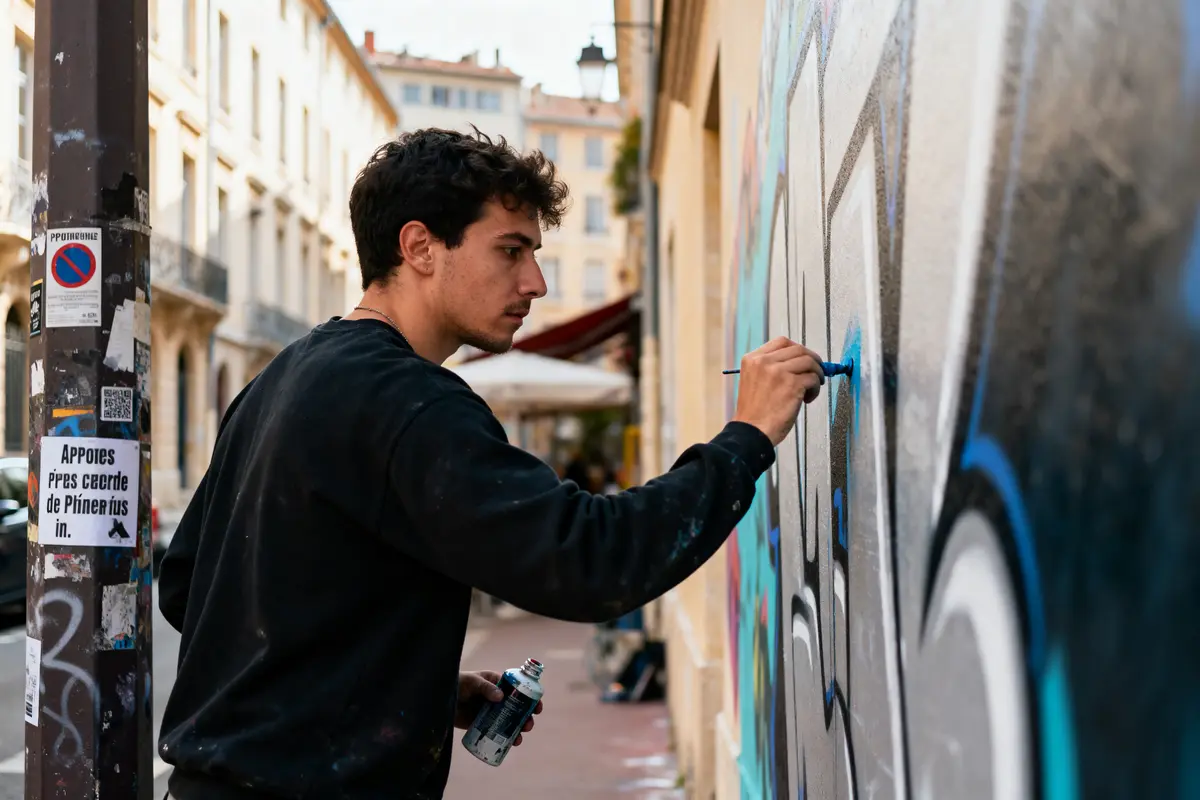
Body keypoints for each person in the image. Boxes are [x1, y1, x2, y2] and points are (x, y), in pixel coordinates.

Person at [156, 128, 829, 800]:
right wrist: (748, 435)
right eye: (511, 251)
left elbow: (190, 587)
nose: (534, 282)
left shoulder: (278, 381)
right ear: (419, 247)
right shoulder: (411, 402)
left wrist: (404, 687)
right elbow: (590, 560)